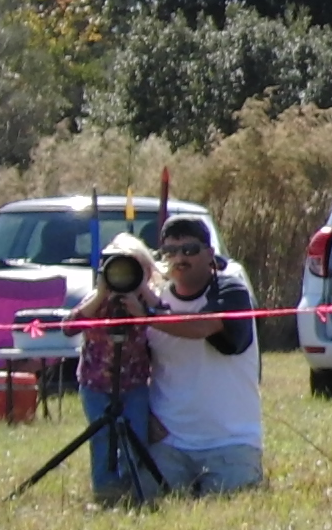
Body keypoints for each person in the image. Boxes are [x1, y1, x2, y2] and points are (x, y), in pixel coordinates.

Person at [144, 216, 264, 495]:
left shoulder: (231, 290)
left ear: (210, 254)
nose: (179, 259)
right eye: (170, 251)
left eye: (189, 250)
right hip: (168, 443)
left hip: (231, 442)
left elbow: (201, 327)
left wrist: (146, 316)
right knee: (148, 505)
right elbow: (134, 371)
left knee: (229, 511)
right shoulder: (154, 300)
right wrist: (144, 415)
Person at [71, 231, 161, 505]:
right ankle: (106, 492)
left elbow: (168, 322)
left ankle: (133, 489)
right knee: (102, 438)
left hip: (134, 384)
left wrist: (142, 300)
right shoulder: (97, 300)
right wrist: (101, 294)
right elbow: (69, 327)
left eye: (131, 267)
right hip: (96, 383)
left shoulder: (148, 302)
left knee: (136, 439)